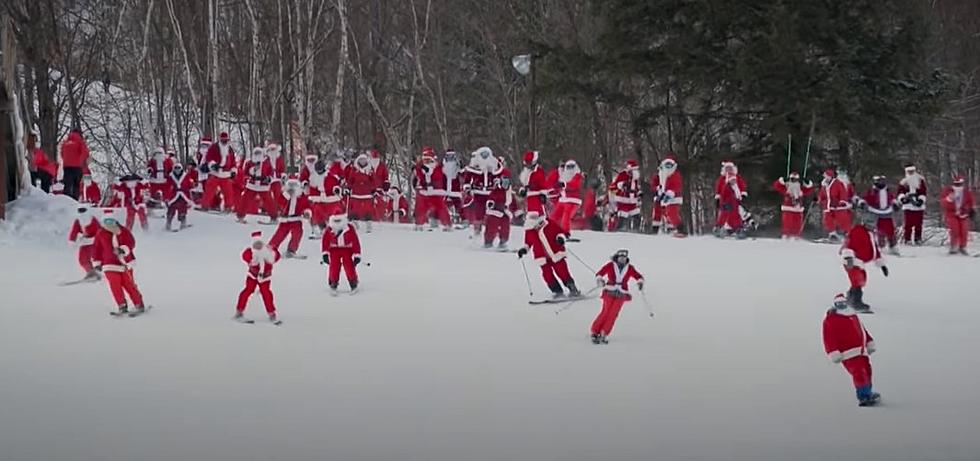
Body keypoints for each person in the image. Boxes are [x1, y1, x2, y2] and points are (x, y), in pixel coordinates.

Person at [822, 293, 880, 407]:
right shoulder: (831, 319)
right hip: (848, 353)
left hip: (861, 351)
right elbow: (828, 337)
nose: (842, 305)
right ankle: (863, 396)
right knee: (859, 373)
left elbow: (862, 330)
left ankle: (868, 392)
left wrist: (869, 341)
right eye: (839, 304)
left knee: (867, 371)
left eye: (843, 303)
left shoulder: (852, 315)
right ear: (835, 305)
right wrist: (833, 351)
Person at [91, 209, 147, 315]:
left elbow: (131, 242)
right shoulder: (101, 233)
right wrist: (97, 262)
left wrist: (123, 249)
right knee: (115, 286)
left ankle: (139, 304)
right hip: (109, 264)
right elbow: (96, 248)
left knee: (129, 284)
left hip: (125, 263)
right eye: (106, 221)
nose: (109, 224)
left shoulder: (123, 231)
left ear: (116, 221)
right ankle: (122, 306)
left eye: (111, 221)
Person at [517, 211, 581, 299]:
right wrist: (524, 250)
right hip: (542, 257)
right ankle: (557, 291)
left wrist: (561, 238)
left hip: (555, 253)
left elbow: (560, 232)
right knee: (547, 275)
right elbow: (528, 243)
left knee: (562, 271)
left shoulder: (549, 223)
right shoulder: (529, 231)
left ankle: (572, 288)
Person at [591, 249, 645, 344]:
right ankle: (595, 331)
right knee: (606, 311)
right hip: (609, 290)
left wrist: (640, 282)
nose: (622, 260)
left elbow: (638, 276)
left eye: (624, 258)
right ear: (617, 257)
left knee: (613, 313)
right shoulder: (610, 265)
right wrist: (600, 280)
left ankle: (605, 332)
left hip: (622, 293)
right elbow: (599, 274)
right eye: (621, 258)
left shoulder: (630, 268)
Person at [840, 216, 888, 312]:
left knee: (861, 280)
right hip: (852, 261)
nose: (871, 225)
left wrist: (881, 265)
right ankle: (856, 302)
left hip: (859, 262)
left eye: (873, 223)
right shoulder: (857, 230)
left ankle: (850, 297)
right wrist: (848, 257)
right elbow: (849, 243)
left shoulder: (870, 234)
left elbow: (874, 250)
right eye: (869, 223)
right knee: (858, 280)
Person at [236, 231, 282, 324]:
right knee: (248, 290)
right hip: (252, 276)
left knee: (267, 294)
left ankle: (271, 313)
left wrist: (273, 253)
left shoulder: (268, 252)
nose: (258, 246)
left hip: (265, 278)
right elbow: (245, 255)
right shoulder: (251, 252)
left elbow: (276, 256)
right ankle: (239, 311)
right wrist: (251, 260)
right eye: (256, 244)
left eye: (259, 244)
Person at [269, 176, 311, 258]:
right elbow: (280, 203)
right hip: (285, 219)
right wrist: (287, 195)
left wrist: (307, 213)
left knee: (297, 234)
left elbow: (307, 206)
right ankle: (271, 248)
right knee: (279, 234)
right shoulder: (284, 196)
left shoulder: (301, 197)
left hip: (296, 219)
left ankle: (291, 250)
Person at [857, 176, 901, 254]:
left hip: (887, 213)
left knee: (890, 230)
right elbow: (864, 198)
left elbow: (892, 198)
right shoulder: (871, 192)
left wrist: (895, 204)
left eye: (882, 181)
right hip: (876, 213)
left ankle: (893, 246)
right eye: (878, 181)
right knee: (880, 231)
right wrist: (862, 203)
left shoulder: (888, 192)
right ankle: (881, 247)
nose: (880, 183)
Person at [321, 214, 362, 295]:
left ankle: (353, 282)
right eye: (335, 221)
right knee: (334, 266)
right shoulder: (329, 229)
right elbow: (325, 241)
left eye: (339, 221)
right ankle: (333, 283)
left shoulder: (349, 228)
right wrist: (325, 253)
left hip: (347, 249)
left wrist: (357, 254)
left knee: (349, 265)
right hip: (334, 250)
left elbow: (355, 241)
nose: (337, 223)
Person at [413, 148, 451, 231]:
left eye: (428, 160)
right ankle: (419, 224)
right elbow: (419, 176)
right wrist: (418, 167)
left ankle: (447, 224)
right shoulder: (421, 168)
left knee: (441, 208)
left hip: (436, 192)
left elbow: (438, 176)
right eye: (425, 160)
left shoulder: (438, 167)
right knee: (421, 208)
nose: (426, 162)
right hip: (425, 192)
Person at [237, 147, 278, 223]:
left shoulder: (267, 162)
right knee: (245, 200)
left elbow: (271, 173)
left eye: (259, 153)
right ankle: (240, 216)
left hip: (263, 185)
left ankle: (274, 217)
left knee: (269, 202)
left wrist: (269, 179)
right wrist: (253, 170)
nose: (258, 155)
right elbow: (245, 173)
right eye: (256, 153)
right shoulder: (250, 162)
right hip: (252, 185)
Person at [202, 131, 238, 212]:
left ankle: (228, 207)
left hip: (226, 173)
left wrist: (233, 171)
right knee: (209, 190)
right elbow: (209, 157)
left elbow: (233, 162)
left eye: (226, 140)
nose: (224, 142)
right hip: (216, 172)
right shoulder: (214, 147)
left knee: (228, 192)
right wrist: (213, 165)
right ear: (220, 139)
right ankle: (205, 205)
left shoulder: (230, 149)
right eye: (223, 140)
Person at [464, 147, 497, 235]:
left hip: (491, 193)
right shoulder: (474, 167)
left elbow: (497, 177)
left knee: (492, 212)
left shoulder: (493, 166)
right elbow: (468, 178)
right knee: (479, 212)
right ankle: (477, 230)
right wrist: (467, 188)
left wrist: (497, 185)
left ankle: (492, 231)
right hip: (478, 192)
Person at [940, 175, 975, 255]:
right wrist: (949, 199)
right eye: (956, 184)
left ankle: (963, 246)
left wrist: (970, 210)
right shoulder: (948, 191)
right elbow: (943, 203)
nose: (958, 186)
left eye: (960, 184)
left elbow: (970, 202)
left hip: (963, 214)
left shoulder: (966, 192)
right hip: (952, 214)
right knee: (954, 230)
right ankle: (954, 246)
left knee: (964, 230)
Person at [773, 172, 814, 239]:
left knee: (797, 222)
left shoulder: (801, 188)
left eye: (796, 180)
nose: (794, 181)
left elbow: (809, 190)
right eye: (792, 179)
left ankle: (796, 235)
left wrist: (808, 183)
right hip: (788, 207)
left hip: (798, 208)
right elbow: (776, 186)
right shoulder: (786, 187)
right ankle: (786, 234)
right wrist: (782, 180)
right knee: (787, 222)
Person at [650, 156, 685, 236]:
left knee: (671, 213)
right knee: (659, 212)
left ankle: (680, 229)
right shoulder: (661, 174)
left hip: (674, 197)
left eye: (670, 165)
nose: (668, 167)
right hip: (662, 196)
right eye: (666, 165)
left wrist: (669, 193)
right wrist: (658, 190)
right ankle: (656, 229)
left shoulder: (675, 175)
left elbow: (676, 186)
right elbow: (655, 184)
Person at [346, 152, 379, 231]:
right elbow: (350, 180)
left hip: (367, 194)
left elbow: (374, 180)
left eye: (364, 160)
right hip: (356, 194)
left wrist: (374, 189)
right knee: (355, 210)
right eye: (361, 160)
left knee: (368, 210)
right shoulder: (354, 170)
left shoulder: (370, 170)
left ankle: (368, 224)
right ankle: (355, 223)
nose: (362, 162)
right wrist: (348, 188)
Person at [714, 161, 748, 238]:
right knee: (724, 214)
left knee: (735, 215)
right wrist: (718, 198)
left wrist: (743, 194)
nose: (728, 170)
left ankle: (737, 228)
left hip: (735, 200)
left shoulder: (737, 178)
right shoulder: (722, 179)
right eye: (727, 169)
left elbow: (742, 186)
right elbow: (718, 189)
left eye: (730, 168)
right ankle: (719, 227)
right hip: (724, 200)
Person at [484, 168, 516, 249]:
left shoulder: (509, 192)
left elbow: (513, 203)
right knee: (492, 226)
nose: (505, 184)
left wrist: (517, 212)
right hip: (495, 211)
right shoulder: (497, 190)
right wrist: (491, 203)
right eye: (504, 182)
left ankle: (503, 241)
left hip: (505, 212)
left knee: (505, 227)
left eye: (507, 182)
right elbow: (491, 197)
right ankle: (488, 241)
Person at [608, 160, 644, 231]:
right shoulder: (623, 175)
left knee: (636, 215)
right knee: (623, 215)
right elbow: (615, 185)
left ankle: (636, 230)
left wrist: (639, 193)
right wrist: (622, 185)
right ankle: (619, 230)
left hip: (632, 201)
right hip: (623, 200)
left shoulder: (635, 179)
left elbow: (636, 188)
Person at [68, 206, 102, 281]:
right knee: (82, 260)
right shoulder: (78, 220)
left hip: (95, 242)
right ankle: (91, 273)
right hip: (85, 242)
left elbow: (100, 232)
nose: (81, 213)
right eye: (80, 211)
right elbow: (74, 231)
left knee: (96, 259)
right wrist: (72, 241)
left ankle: (98, 273)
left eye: (83, 211)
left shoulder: (93, 220)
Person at [550, 159, 583, 234]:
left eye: (572, 167)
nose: (570, 169)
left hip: (573, 200)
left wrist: (563, 184)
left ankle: (565, 232)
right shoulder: (564, 176)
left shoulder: (577, 175)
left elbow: (574, 185)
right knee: (554, 215)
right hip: (563, 199)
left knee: (566, 215)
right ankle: (551, 230)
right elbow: (557, 184)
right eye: (568, 167)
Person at [819, 169, 853, 241]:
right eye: (825, 176)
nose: (826, 178)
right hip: (828, 206)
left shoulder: (838, 183)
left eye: (827, 176)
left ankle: (848, 234)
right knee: (827, 219)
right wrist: (820, 200)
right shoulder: (824, 185)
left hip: (838, 206)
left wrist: (842, 201)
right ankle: (832, 234)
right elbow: (822, 195)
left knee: (842, 219)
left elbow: (842, 192)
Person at [897, 164, 927, 245]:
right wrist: (902, 198)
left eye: (912, 171)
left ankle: (918, 239)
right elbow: (900, 192)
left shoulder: (920, 180)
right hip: (908, 205)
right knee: (908, 224)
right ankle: (907, 239)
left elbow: (923, 192)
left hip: (918, 206)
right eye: (909, 171)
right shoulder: (903, 182)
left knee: (918, 224)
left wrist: (921, 200)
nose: (910, 173)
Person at [163, 163, 197, 232]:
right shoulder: (170, 177)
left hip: (183, 196)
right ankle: (168, 225)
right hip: (173, 196)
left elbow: (190, 185)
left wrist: (192, 185)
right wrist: (166, 198)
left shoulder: (186, 176)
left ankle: (183, 223)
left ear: (181, 168)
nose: (177, 170)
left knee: (182, 209)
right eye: (176, 168)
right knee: (171, 210)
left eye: (178, 168)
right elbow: (166, 188)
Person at [58, 129, 90, 200]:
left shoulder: (65, 142)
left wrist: (66, 160)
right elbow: (85, 152)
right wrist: (80, 161)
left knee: (68, 183)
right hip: (77, 166)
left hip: (67, 166)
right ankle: (74, 200)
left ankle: (65, 199)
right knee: (76, 184)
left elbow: (62, 153)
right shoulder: (80, 142)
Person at [518, 150, 551, 215]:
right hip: (528, 200)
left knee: (538, 216)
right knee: (530, 216)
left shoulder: (539, 172)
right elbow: (523, 184)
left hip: (537, 199)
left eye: (529, 163)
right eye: (527, 163)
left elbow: (543, 185)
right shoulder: (525, 172)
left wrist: (543, 195)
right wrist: (522, 191)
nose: (528, 165)